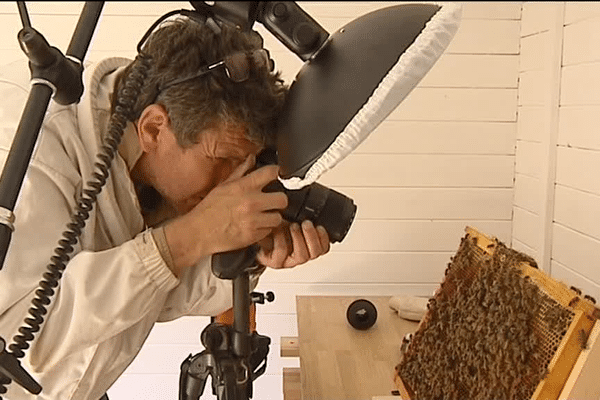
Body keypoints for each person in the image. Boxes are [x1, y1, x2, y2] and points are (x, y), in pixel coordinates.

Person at [0, 13, 330, 400]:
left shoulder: (149, 147)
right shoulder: (27, 157)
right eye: (222, 159)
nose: (231, 183)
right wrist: (185, 238)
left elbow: (160, 297)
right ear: (154, 128)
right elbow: (21, 337)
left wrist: (249, 252)